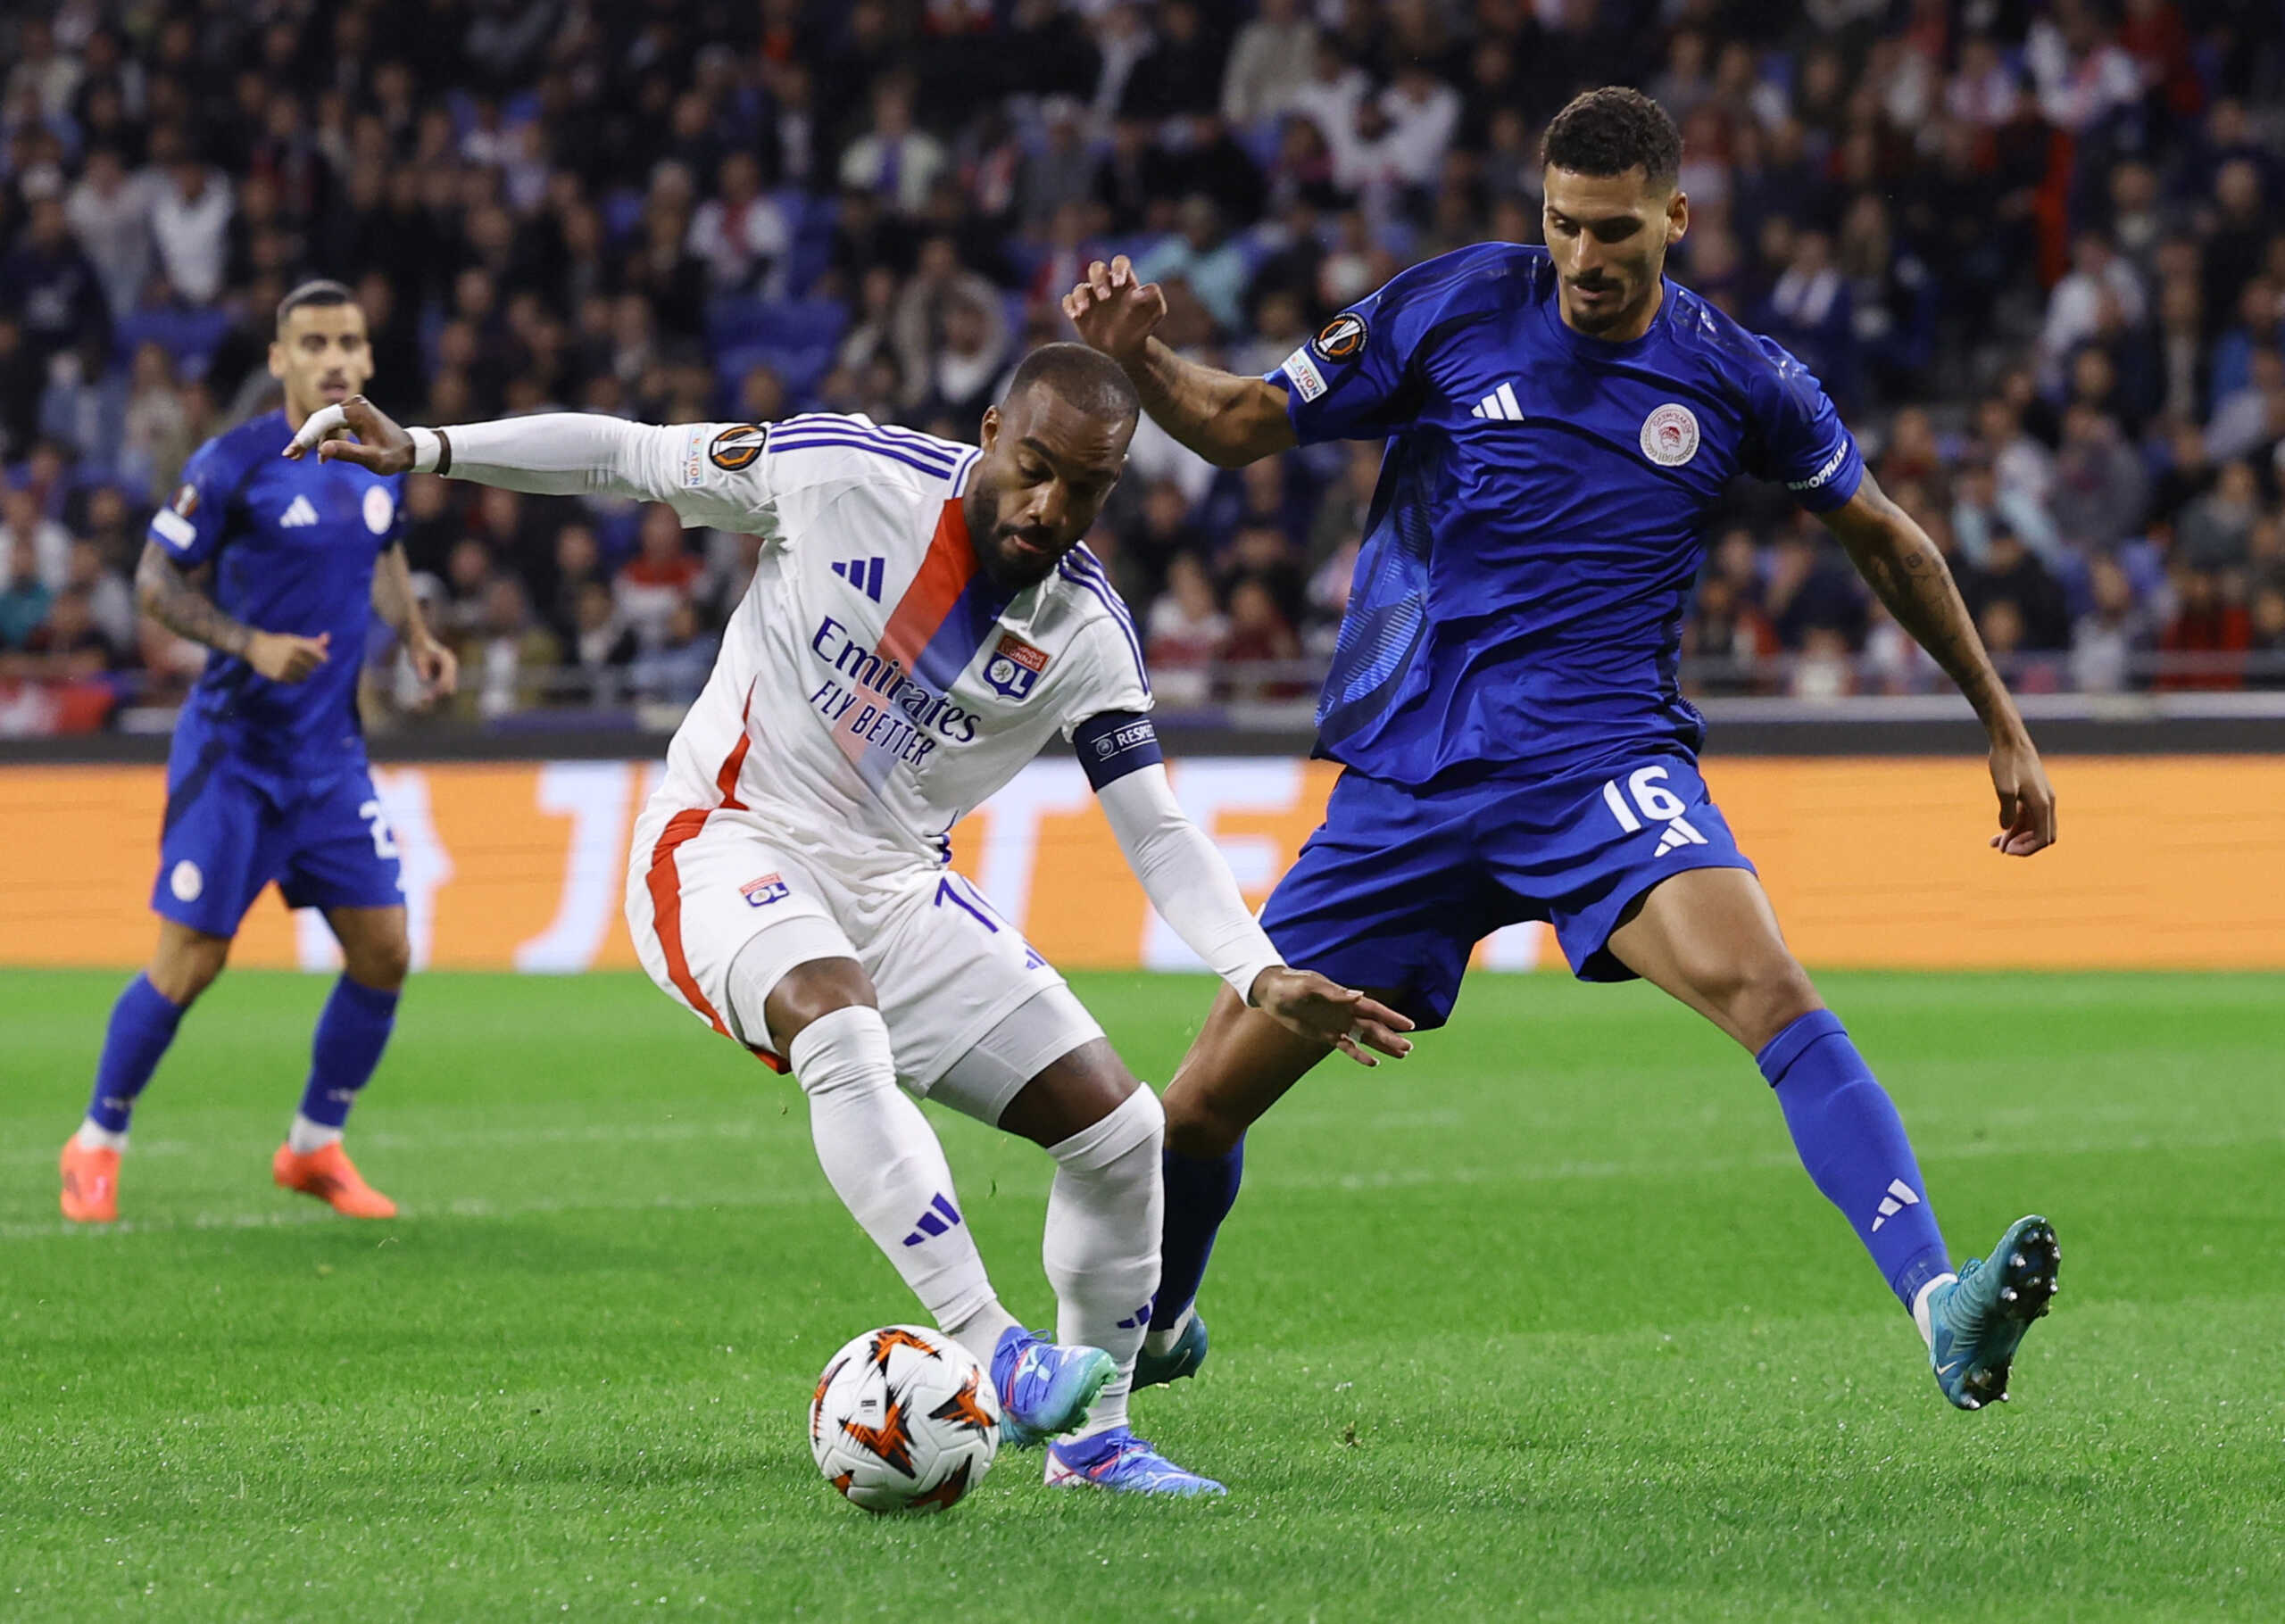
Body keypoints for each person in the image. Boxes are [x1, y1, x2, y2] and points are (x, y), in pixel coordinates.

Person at [1067, 87, 2063, 1413]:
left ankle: (1944, 1304)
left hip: (1602, 766)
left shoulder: (1740, 375)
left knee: (1773, 995)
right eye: (1563, 228)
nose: (1586, 261)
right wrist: (1142, 361)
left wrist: (1999, 719)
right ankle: (1162, 1319)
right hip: (1410, 779)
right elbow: (1244, 420)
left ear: (1676, 218)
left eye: (1614, 232)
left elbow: (1887, 535)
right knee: (1192, 1111)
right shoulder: (1451, 307)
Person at [287, 345, 1412, 1496]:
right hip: (727, 837)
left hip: (894, 886)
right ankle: (993, 1345)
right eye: (1034, 468)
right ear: (988, 430)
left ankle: (1096, 1443)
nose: (1052, 505)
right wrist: (427, 446)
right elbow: (625, 454)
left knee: (1121, 1132)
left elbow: (1156, 827)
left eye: (1087, 488)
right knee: (839, 1021)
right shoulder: (837, 474)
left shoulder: (1083, 631)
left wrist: (1256, 969)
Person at [59, 280, 458, 1227]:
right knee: (192, 961)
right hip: (235, 753)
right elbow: (155, 579)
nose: (332, 357)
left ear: (366, 358)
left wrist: (416, 636)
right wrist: (246, 643)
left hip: (329, 762)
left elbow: (386, 554)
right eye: (312, 341)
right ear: (278, 359)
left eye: (348, 342)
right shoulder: (234, 461)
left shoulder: (379, 459)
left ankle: (313, 1146)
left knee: (385, 948)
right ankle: (96, 1139)